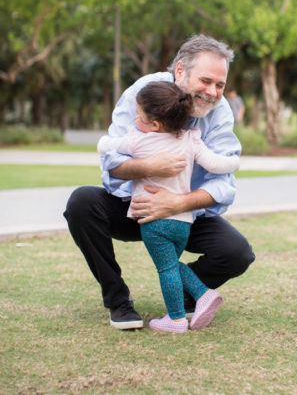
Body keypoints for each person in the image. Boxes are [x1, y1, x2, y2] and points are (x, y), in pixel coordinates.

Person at [64, 34, 255, 331]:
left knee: (237, 252)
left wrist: (178, 202)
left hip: (184, 215)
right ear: (180, 71)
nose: (212, 92)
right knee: (81, 203)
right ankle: (118, 300)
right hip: (133, 207)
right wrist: (148, 166)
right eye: (205, 81)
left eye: (220, 85)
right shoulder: (144, 93)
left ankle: (181, 296)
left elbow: (224, 184)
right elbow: (111, 164)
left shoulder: (219, 113)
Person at [97, 81, 240, 333]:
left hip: (154, 221)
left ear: (155, 124)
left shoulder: (138, 141)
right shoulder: (191, 138)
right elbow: (215, 163)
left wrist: (103, 142)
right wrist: (233, 162)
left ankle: (176, 319)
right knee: (171, 264)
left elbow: (108, 148)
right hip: (184, 221)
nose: (135, 121)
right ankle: (203, 296)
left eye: (139, 117)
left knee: (166, 268)